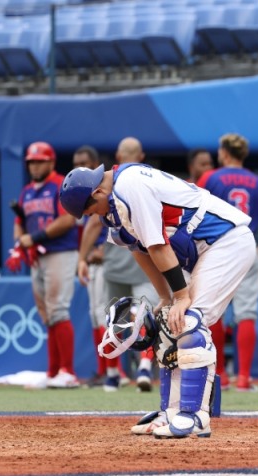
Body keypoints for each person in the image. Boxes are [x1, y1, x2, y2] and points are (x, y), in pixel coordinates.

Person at [59, 160, 256, 438]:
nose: (91, 216)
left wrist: (181, 296)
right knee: (167, 322)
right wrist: (165, 297)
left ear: (98, 194)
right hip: (200, 251)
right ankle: (171, 412)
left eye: (89, 210)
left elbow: (158, 245)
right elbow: (140, 250)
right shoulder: (112, 206)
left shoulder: (130, 185)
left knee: (188, 321)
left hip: (225, 240)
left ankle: (195, 416)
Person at [196, 133, 258, 393]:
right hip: (246, 245)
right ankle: (243, 377)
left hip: (216, 247)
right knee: (247, 313)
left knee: (213, 311)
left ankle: (219, 375)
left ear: (225, 152)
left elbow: (195, 209)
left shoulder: (211, 177)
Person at [78, 137, 156, 392]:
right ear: (141, 156)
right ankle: (144, 368)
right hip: (146, 257)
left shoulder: (109, 183)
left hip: (117, 257)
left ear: (118, 157)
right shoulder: (150, 177)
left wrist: (81, 258)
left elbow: (91, 224)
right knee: (147, 315)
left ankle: (112, 373)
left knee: (113, 316)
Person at [12, 141, 79, 388]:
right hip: (37, 257)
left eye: (40, 161)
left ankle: (68, 372)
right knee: (48, 315)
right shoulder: (27, 190)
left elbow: (67, 220)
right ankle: (53, 372)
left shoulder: (60, 184)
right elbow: (19, 220)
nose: (35, 165)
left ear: (51, 162)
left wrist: (34, 238)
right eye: (32, 161)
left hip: (59, 252)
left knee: (58, 309)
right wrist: (19, 241)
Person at [73, 145, 122, 388]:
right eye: (75, 162)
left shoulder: (101, 189)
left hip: (108, 259)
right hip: (91, 260)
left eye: (83, 162)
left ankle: (116, 370)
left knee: (107, 315)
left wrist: (101, 249)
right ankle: (104, 369)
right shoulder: (76, 192)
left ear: (93, 163)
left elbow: (101, 225)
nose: (78, 165)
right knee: (95, 316)